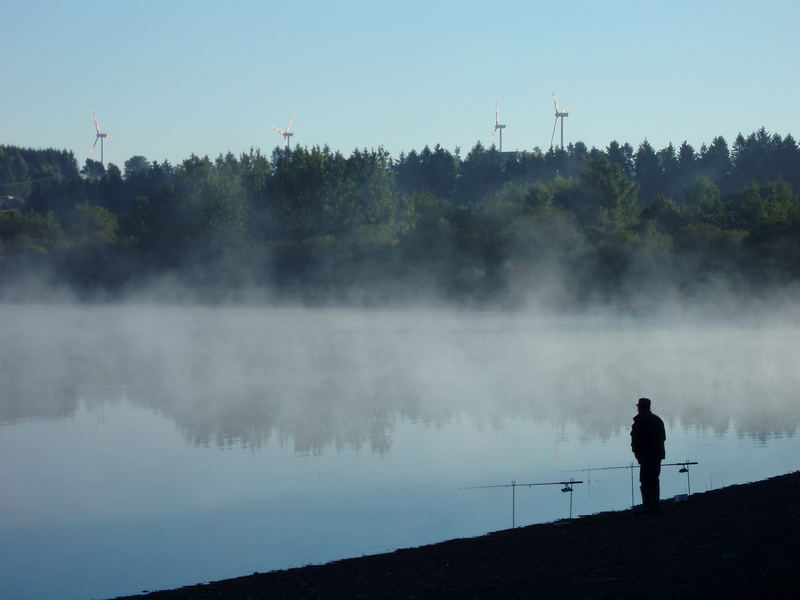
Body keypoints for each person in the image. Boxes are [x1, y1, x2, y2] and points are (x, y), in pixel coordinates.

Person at [630, 397, 666, 513]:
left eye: (639, 406)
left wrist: (637, 453)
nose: (638, 409)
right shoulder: (657, 419)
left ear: (641, 407)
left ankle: (647, 506)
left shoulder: (640, 421)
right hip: (657, 455)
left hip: (646, 456)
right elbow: (663, 438)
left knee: (645, 480)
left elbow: (636, 440)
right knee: (654, 479)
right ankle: (655, 505)